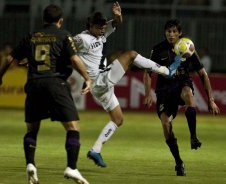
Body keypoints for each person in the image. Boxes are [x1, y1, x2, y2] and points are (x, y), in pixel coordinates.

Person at [0, 4, 91, 184]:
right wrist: (87, 78)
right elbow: (74, 59)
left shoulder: (31, 36)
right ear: (60, 21)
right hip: (55, 83)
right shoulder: (63, 34)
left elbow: (9, 59)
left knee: (32, 129)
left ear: (42, 20)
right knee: (72, 127)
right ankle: (72, 167)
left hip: (34, 84)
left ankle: (30, 164)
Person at [73, 2, 177, 168]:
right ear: (90, 26)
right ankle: (166, 71)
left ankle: (96, 150)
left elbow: (117, 23)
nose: (102, 31)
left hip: (101, 84)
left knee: (118, 119)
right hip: (100, 79)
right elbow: (66, 48)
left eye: (103, 28)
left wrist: (118, 15)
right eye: (99, 28)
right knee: (131, 55)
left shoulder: (100, 33)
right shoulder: (82, 38)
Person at [143, 19, 220, 176]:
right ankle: (179, 162)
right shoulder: (158, 49)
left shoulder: (188, 48)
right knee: (166, 125)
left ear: (179, 33)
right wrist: (147, 93)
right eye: (168, 31)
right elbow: (147, 73)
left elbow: (203, 75)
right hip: (164, 90)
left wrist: (210, 100)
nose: (171, 34)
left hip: (181, 83)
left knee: (188, 93)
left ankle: (193, 137)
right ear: (165, 33)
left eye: (174, 31)